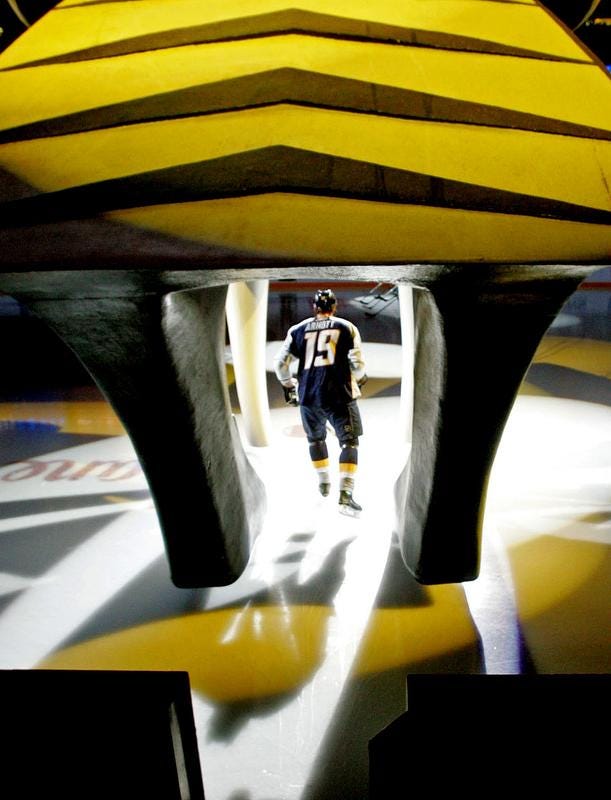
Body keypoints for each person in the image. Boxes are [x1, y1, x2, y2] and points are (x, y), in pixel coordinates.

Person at [274, 288, 367, 517]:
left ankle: (323, 481)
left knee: (315, 439)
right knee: (349, 443)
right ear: (334, 306)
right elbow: (357, 364)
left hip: (309, 395)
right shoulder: (346, 327)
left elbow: (280, 363)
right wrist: (359, 378)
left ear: (314, 307)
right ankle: (345, 495)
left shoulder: (298, 329)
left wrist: (288, 385)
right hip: (339, 394)